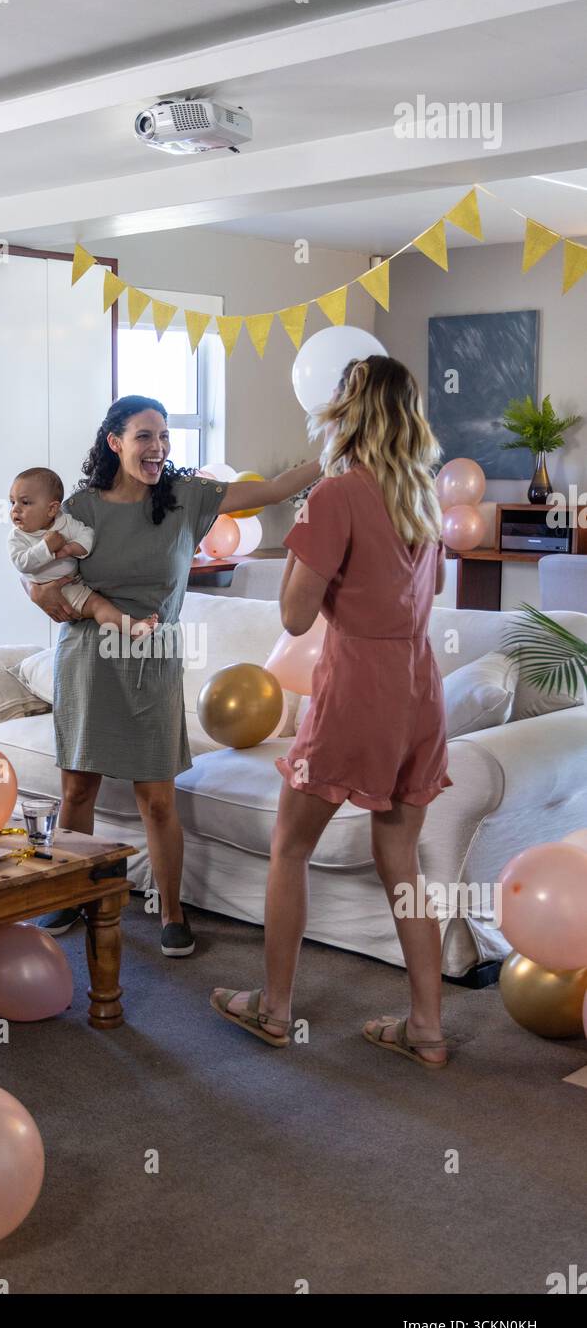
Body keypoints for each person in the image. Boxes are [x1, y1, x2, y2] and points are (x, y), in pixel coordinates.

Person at [211, 356, 452, 1067]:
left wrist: (302, 525)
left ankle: (273, 1010)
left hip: (356, 688)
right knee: (400, 861)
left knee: (289, 845)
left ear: (346, 413)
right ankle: (427, 1028)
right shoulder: (424, 497)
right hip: (418, 687)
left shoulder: (337, 495)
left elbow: (293, 617)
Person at [22, 394, 321, 957]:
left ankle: (171, 912)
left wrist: (336, 450)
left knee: (157, 797)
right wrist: (44, 593)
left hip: (153, 657)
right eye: (144, 436)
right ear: (114, 442)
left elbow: (275, 490)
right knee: (77, 787)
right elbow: (36, 568)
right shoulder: (81, 508)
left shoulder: (187, 497)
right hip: (88, 657)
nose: (157, 448)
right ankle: (70, 891)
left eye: (163, 437)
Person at [8, 466, 157, 637]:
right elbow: (22, 564)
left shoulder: (65, 522)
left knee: (100, 605)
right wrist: (46, 546)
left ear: (51, 509)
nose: (15, 509)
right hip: (60, 591)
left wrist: (71, 548)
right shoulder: (17, 537)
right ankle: (133, 628)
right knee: (97, 606)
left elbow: (87, 535)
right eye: (12, 502)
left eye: (25, 502)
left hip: (74, 582)